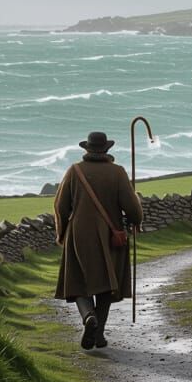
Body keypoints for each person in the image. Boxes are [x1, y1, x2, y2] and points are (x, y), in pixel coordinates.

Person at [53, 131, 143, 350]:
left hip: (78, 234)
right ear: (107, 149)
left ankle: (88, 318)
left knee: (77, 283)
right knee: (106, 286)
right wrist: (135, 221)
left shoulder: (74, 171)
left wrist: (62, 233)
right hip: (109, 236)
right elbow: (132, 208)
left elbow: (60, 206)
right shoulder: (118, 172)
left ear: (87, 149)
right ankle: (99, 334)